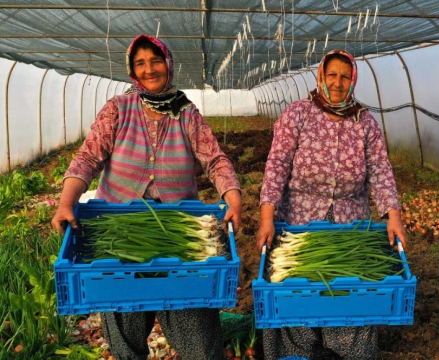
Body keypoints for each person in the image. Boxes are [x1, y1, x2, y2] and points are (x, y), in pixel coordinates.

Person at [51, 34, 242, 360]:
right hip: (119, 233)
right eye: (140, 63)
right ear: (132, 70)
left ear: (167, 63)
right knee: (125, 333)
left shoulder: (186, 113)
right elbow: (88, 157)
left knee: (199, 336)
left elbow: (215, 159)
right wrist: (66, 202)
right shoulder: (117, 110)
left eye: (155, 61)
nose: (149, 69)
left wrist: (233, 196)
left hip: (179, 231)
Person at [256, 49, 408, 360]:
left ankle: (347, 351)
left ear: (353, 80)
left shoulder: (364, 121)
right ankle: (298, 351)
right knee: (299, 293)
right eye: (332, 75)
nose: (337, 82)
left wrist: (393, 214)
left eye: (345, 76)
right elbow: (276, 166)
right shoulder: (297, 114)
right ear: (320, 77)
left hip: (350, 227)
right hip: (299, 224)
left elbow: (380, 169)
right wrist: (266, 216)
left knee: (347, 291)